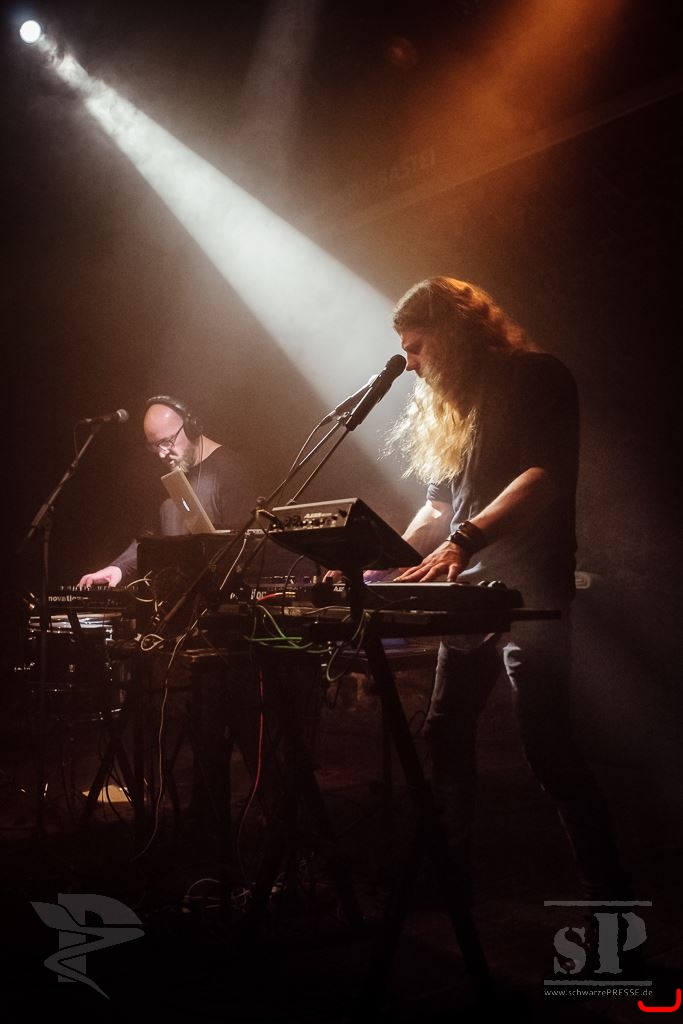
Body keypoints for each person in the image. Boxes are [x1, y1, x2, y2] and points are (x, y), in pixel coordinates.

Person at [368, 276, 631, 907]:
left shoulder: (537, 376)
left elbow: (542, 476)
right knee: (444, 729)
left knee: (547, 747)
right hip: (469, 593)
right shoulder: (456, 406)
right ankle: (450, 875)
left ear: (455, 332)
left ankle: (609, 899)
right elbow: (437, 507)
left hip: (527, 588)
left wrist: (464, 541)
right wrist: (381, 560)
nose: (412, 364)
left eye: (418, 347)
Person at [78, 395, 257, 588]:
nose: (162, 453)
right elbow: (150, 538)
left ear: (191, 427)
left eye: (166, 441)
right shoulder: (171, 473)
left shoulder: (231, 471)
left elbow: (244, 548)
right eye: (154, 446)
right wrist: (118, 568)